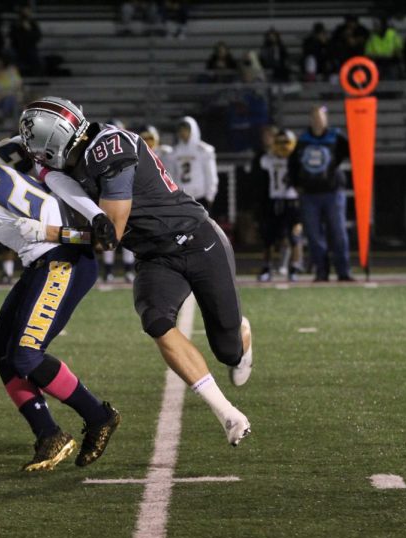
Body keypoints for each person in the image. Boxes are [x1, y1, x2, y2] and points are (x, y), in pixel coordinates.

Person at [17, 96, 252, 447]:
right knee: (155, 319)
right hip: (154, 256)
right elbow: (59, 185)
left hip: (197, 240)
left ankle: (242, 335)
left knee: (228, 351)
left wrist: (52, 232)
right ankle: (227, 414)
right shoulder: (68, 163)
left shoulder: (110, 148)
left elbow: (110, 232)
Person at [0, 115, 120, 470]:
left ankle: (98, 416)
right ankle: (48, 434)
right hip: (61, 253)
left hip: (59, 261)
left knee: (25, 356)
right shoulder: (15, 145)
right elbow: (58, 179)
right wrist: (95, 215)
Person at [287, 105, 352, 282]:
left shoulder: (336, 137)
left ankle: (343, 271)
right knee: (314, 235)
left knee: (338, 233)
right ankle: (321, 271)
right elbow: (292, 164)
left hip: (333, 192)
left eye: (321, 117)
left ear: (326, 119)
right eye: (315, 117)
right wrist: (296, 185)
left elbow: (353, 150)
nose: (318, 121)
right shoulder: (302, 140)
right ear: (310, 119)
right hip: (309, 195)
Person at [257, 129, 302, 282]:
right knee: (268, 238)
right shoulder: (269, 159)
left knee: (294, 237)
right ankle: (266, 267)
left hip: (292, 202)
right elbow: (261, 161)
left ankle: (294, 267)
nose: (282, 146)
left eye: (285, 142)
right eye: (279, 142)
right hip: (274, 201)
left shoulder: (296, 160)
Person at [166, 116, 218, 213]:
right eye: (181, 130)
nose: (183, 133)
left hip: (200, 197)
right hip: (181, 198)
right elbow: (170, 176)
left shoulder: (204, 150)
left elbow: (210, 174)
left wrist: (210, 195)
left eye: (186, 129)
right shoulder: (174, 152)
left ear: (193, 130)